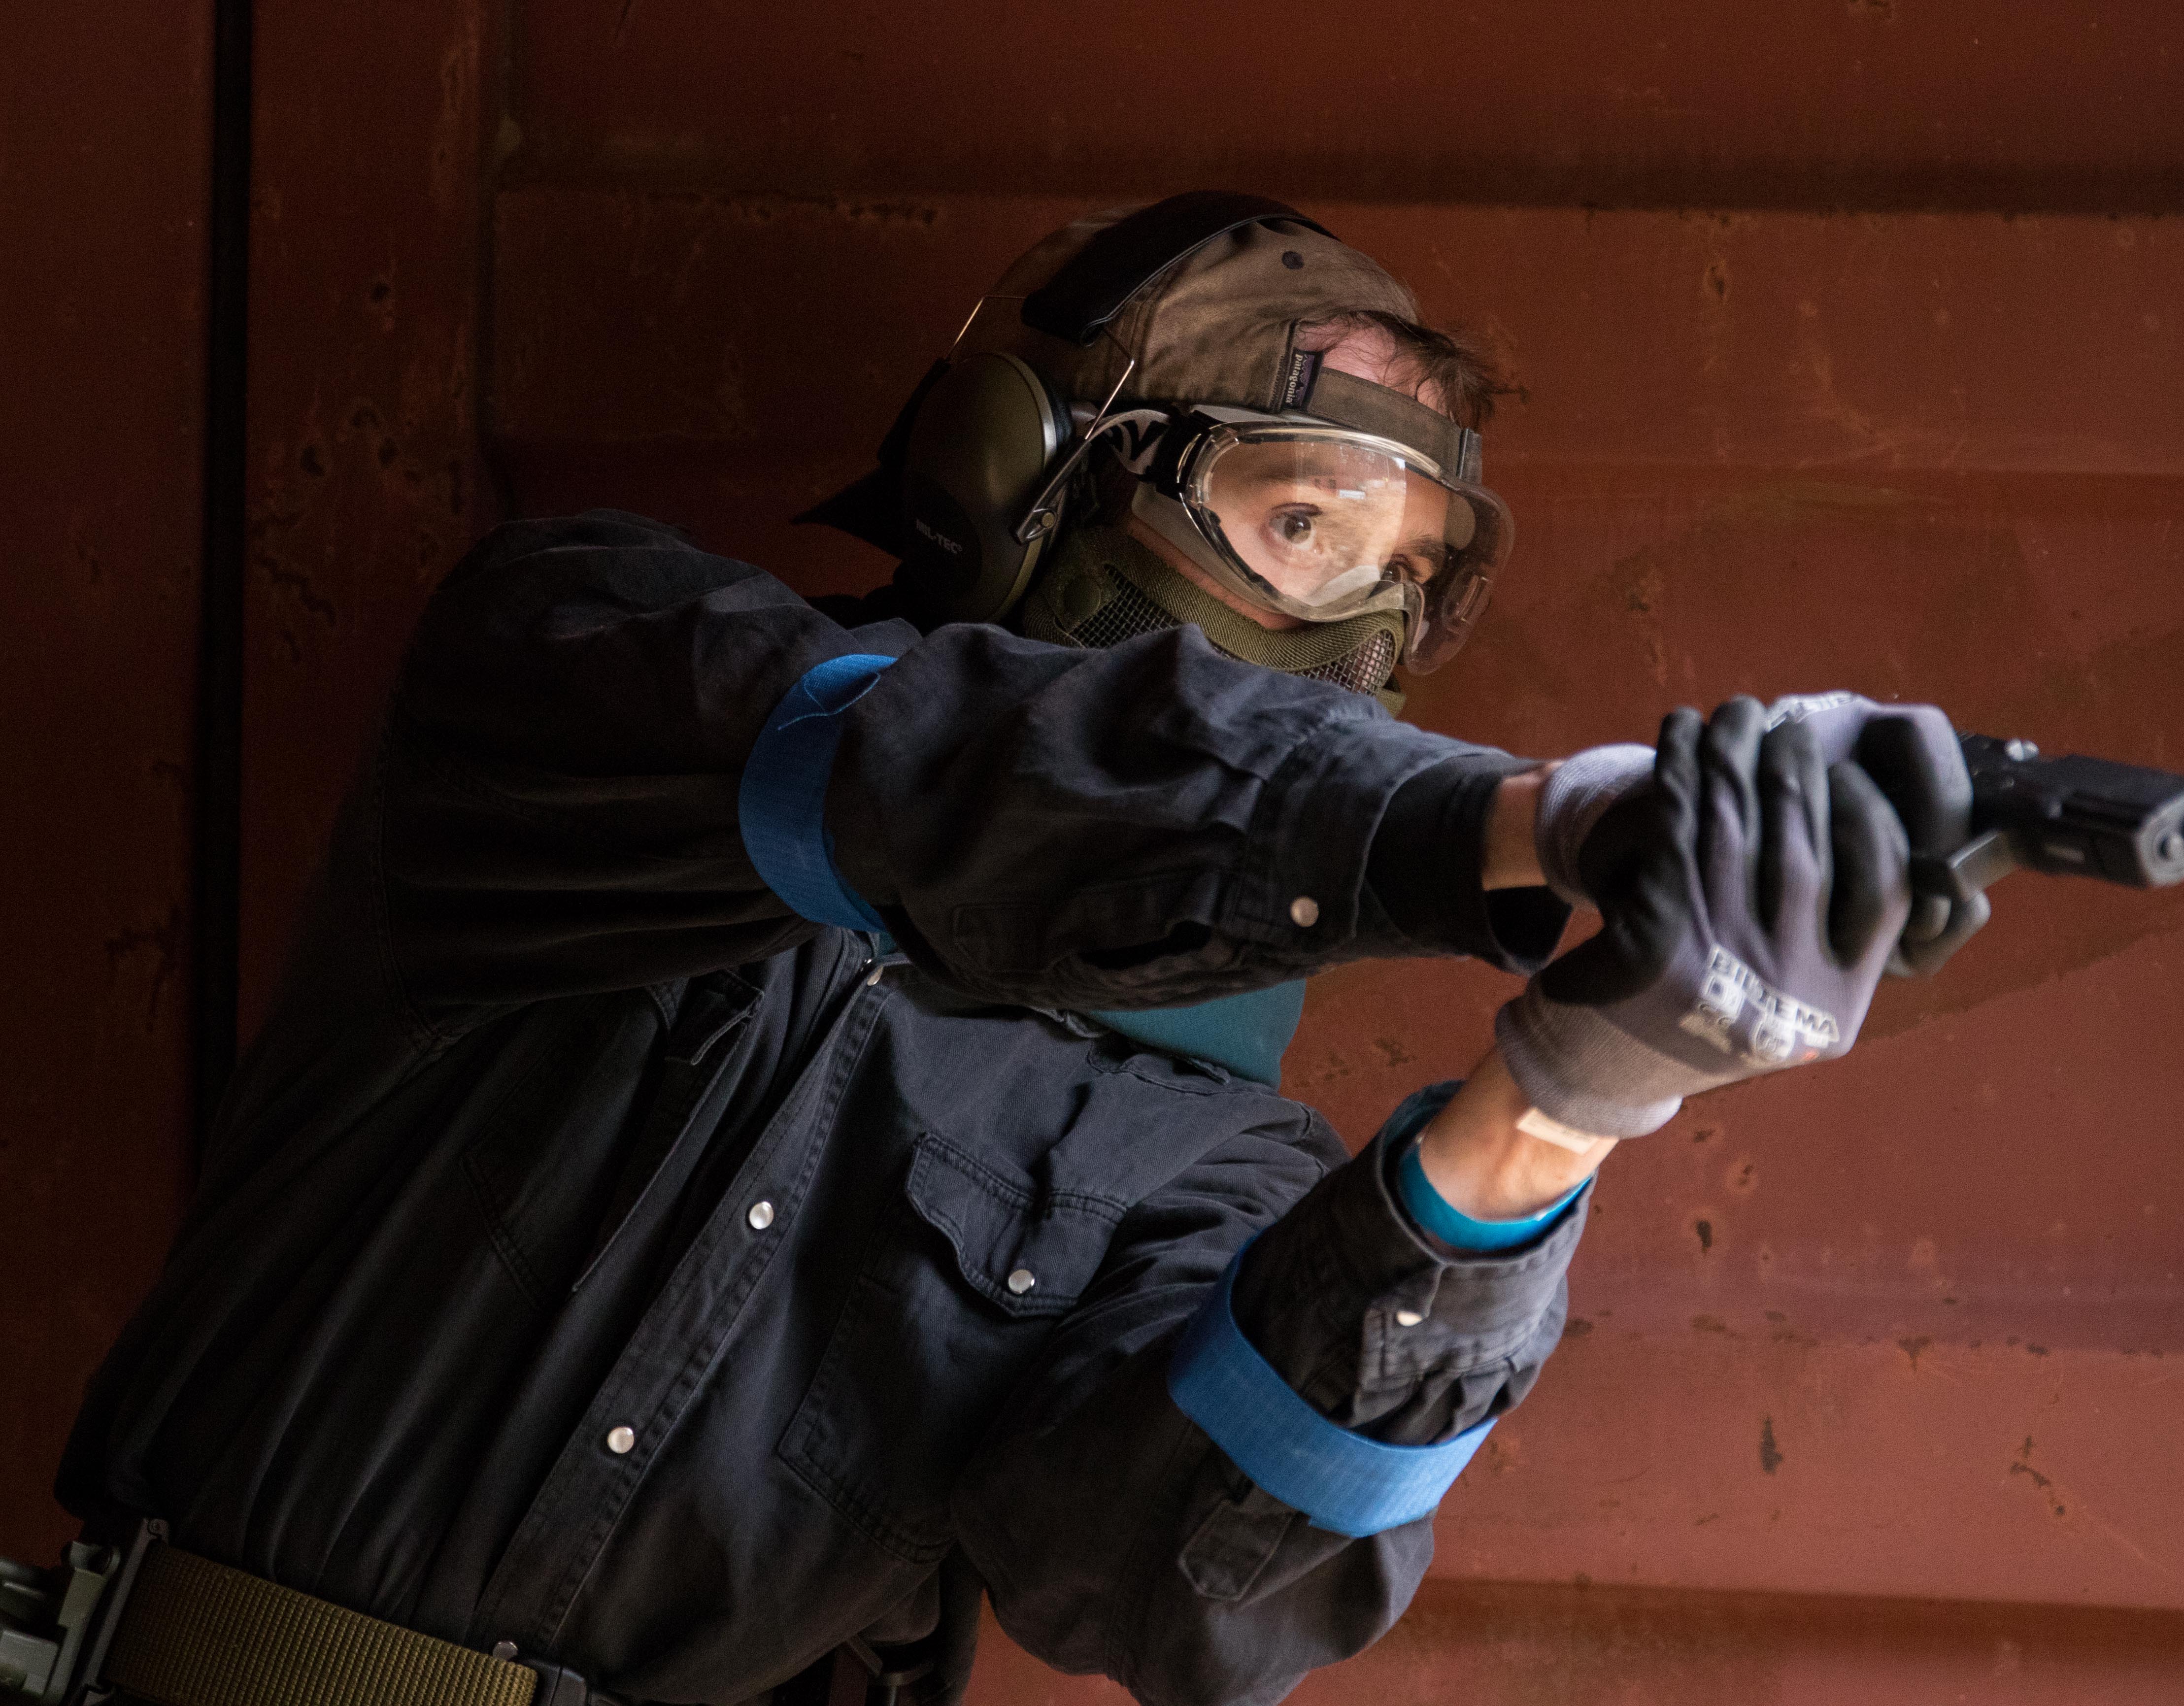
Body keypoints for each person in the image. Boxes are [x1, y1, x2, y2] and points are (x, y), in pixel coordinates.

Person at [46, 195, 1983, 1706]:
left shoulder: (1212, 1152)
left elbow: (1184, 1590)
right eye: (1300, 523)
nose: (1357, 640)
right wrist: (1524, 821)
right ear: (1020, 466)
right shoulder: (589, 670)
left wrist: (1564, 1099)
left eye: (1405, 585)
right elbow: (945, 772)